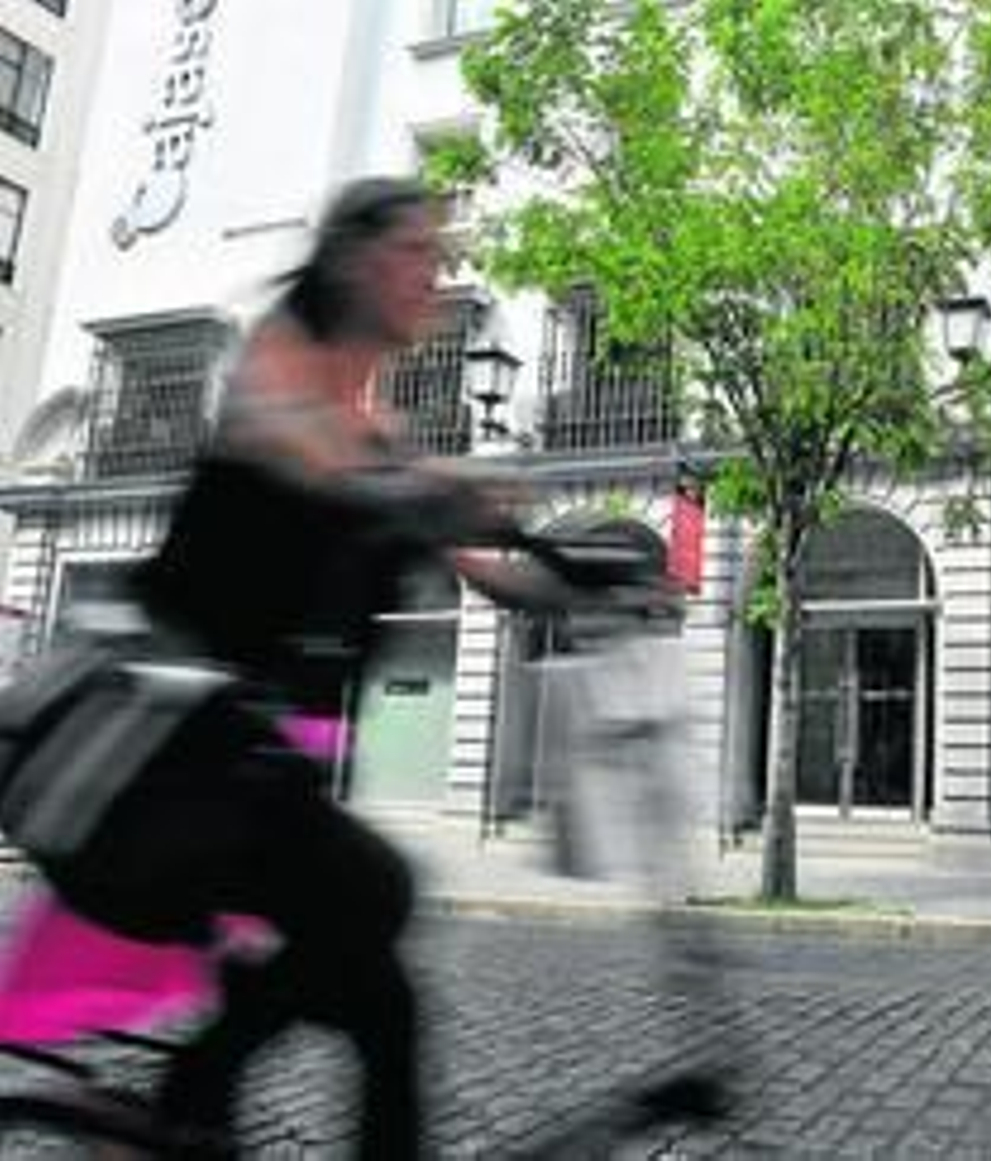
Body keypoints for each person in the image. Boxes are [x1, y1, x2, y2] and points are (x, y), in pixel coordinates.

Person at [21, 177, 576, 1159]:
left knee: (383, 1004)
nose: (435, 273)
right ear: (353, 257)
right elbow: (302, 445)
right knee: (376, 892)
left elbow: (482, 568)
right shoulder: (279, 356)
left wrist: (586, 585)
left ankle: (194, 1101)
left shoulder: (376, 426)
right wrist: (428, 485)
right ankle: (195, 1086)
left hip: (238, 768)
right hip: (151, 766)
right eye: (415, 251)